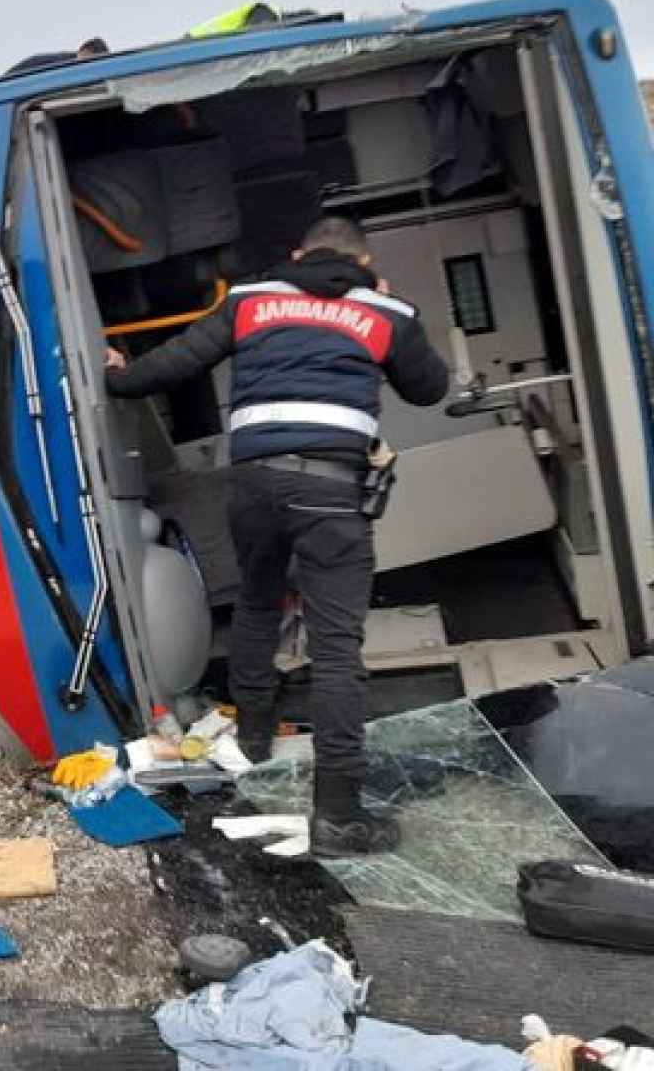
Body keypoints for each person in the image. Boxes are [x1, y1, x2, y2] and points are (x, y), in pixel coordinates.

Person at [103, 215, 449, 857]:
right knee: (338, 648)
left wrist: (118, 374)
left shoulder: (251, 300)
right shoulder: (385, 311)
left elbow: (174, 364)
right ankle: (340, 816)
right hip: (331, 492)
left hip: (255, 486)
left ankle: (256, 739)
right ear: (365, 262)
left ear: (297, 252)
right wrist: (399, 307)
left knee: (259, 605)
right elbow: (430, 390)